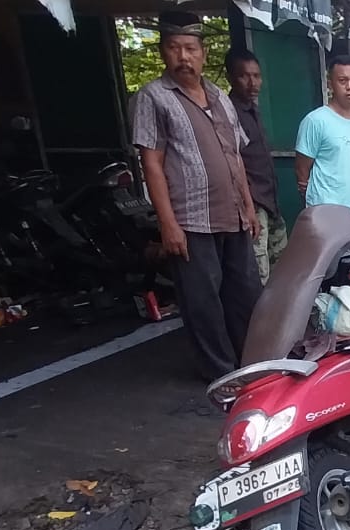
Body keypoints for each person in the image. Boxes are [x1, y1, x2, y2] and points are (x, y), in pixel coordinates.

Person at [131, 11, 262, 380]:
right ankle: (221, 373)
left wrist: (249, 207)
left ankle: (251, 364)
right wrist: (168, 224)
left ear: (203, 53)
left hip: (234, 216)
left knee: (245, 294)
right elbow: (152, 163)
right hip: (191, 221)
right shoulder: (153, 97)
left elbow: (235, 156)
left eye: (190, 48)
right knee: (202, 302)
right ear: (163, 52)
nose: (183, 57)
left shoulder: (219, 97)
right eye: (174, 48)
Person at [224, 48, 286, 284]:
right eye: (244, 76)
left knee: (282, 269)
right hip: (252, 203)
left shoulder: (253, 110)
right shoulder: (228, 112)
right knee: (259, 273)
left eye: (257, 76)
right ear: (231, 77)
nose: (253, 83)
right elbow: (233, 161)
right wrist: (247, 205)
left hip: (270, 199)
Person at [296, 56, 350, 227]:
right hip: (327, 211)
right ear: (330, 84)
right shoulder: (315, 121)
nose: (349, 87)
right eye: (342, 81)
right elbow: (302, 169)